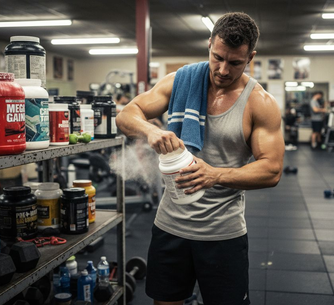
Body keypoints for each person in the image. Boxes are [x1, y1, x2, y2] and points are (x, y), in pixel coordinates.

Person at [116, 12, 284, 305]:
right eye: (217, 57)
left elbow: (272, 170)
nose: (222, 69)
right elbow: (126, 114)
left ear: (250, 57)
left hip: (223, 233)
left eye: (234, 62)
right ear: (209, 44)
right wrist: (149, 131)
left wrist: (216, 174)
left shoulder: (260, 103)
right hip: (170, 226)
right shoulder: (180, 81)